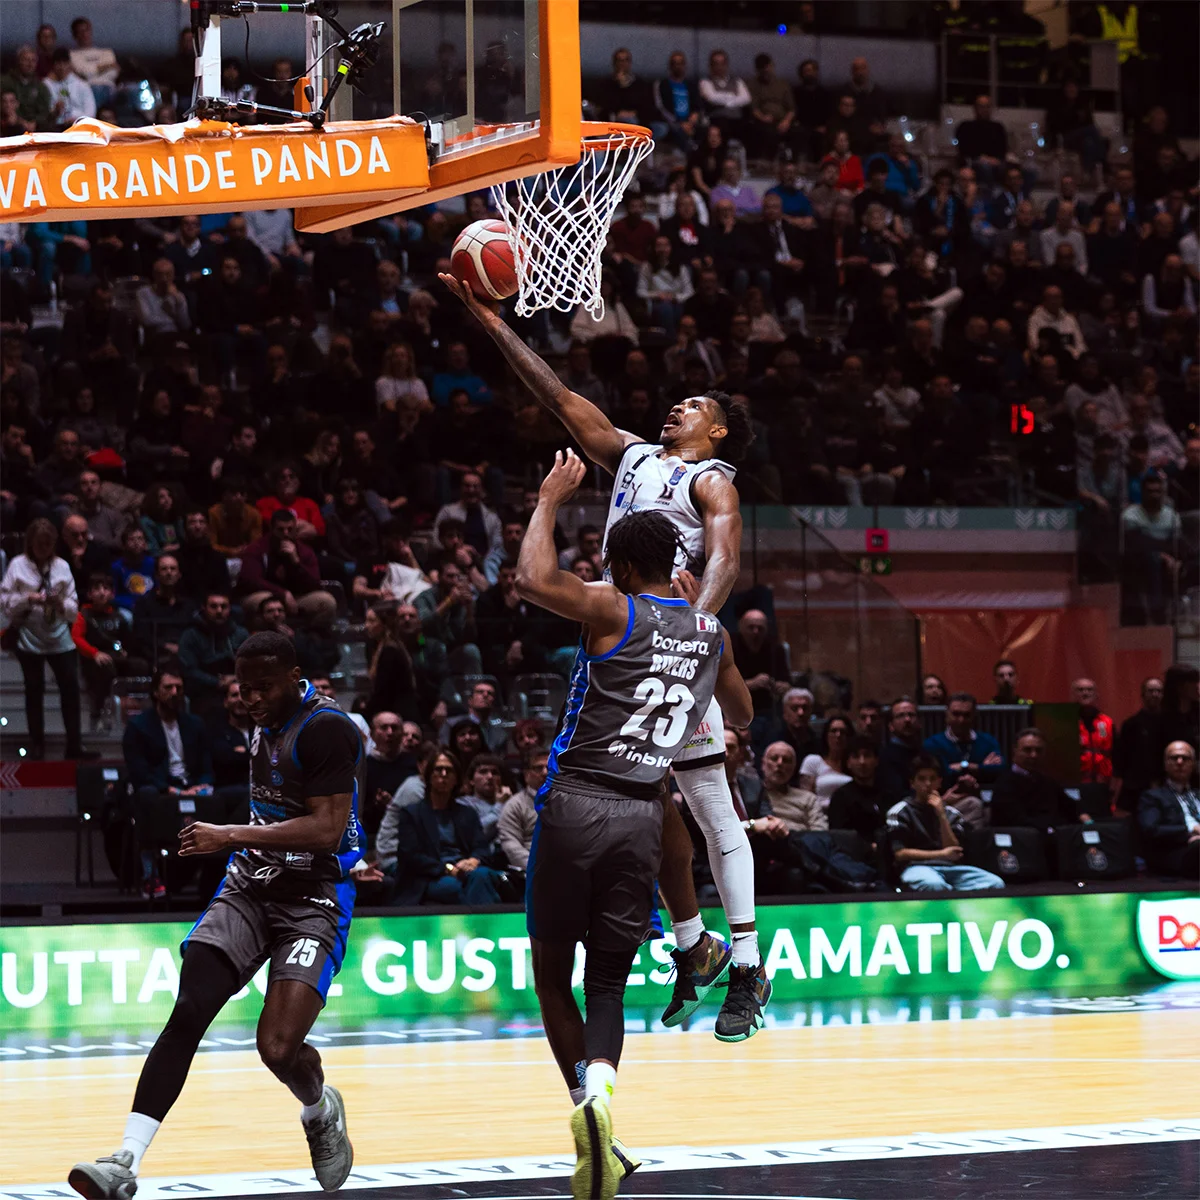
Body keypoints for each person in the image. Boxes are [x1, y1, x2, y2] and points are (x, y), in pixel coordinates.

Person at [440, 269, 764, 1031]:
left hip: (675, 645)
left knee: (713, 810)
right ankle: (693, 945)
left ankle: (747, 968)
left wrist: (696, 631)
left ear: (716, 432)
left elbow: (724, 559)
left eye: (697, 405)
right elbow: (558, 398)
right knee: (642, 801)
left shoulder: (713, 480)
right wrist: (489, 320)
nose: (679, 404)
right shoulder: (636, 455)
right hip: (628, 637)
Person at [514, 452, 752, 1196]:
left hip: (578, 800)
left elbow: (530, 580)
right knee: (609, 985)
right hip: (645, 814)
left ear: (616, 564)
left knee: (555, 978)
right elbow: (740, 714)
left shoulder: (611, 606)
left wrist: (550, 499)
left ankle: (582, 1102)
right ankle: (605, 1099)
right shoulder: (710, 632)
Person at [72, 636, 365, 1197]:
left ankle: (319, 1107)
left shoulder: (326, 727)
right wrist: (244, 843)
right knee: (190, 1008)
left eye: (263, 687)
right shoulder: (260, 718)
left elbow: (328, 828)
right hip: (252, 883)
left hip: (315, 895)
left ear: (294, 677)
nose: (250, 698)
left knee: (278, 1049)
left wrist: (229, 832)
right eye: (243, 687)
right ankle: (124, 1161)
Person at [0, 518, 91, 760]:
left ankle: (74, 745)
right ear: (30, 543)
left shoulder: (61, 566)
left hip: (59, 635)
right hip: (29, 636)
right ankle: (37, 744)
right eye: (40, 544)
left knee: (70, 689)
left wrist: (59, 603)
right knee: (34, 690)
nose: (44, 549)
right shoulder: (17, 566)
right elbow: (5, 604)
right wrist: (29, 598)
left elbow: (74, 606)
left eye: (48, 544)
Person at [389, 749, 506, 905]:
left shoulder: (467, 813)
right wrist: (448, 869)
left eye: (449, 771)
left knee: (482, 875)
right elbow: (411, 856)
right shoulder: (412, 814)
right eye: (438, 769)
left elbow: (482, 848)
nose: (443, 774)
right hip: (429, 877)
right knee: (460, 888)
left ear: (456, 779)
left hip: (466, 871)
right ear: (429, 776)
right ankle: (482, 927)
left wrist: (473, 860)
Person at [887, 753, 1005, 892]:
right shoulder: (900, 812)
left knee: (995, 883)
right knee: (935, 885)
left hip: (951, 868)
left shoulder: (952, 814)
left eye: (932, 779)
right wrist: (941, 855)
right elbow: (900, 853)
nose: (928, 784)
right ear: (912, 783)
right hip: (915, 867)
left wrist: (941, 815)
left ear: (940, 782)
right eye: (922, 779)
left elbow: (953, 850)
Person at [71, 572, 149, 733]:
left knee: (140, 665)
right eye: (97, 589)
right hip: (94, 659)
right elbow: (77, 638)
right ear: (90, 594)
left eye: (106, 588)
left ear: (112, 593)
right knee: (107, 668)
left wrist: (127, 651)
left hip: (117, 657)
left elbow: (128, 639)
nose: (102, 592)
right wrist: (94, 653)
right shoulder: (83, 615)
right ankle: (99, 712)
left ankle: (139, 710)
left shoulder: (119, 616)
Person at [241, 509, 337, 630]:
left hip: (297, 598)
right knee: (263, 601)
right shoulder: (256, 549)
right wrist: (281, 593)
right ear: (272, 529)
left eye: (290, 529)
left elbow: (315, 583)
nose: (285, 533)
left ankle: (305, 639)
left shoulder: (304, 551)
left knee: (327, 602)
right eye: (280, 530)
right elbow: (251, 580)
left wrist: (296, 562)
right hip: (266, 596)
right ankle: (269, 640)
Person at [991, 729, 1086, 830]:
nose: (1034, 755)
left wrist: (1085, 818)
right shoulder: (1004, 784)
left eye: (1038, 750)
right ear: (1015, 750)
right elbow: (1015, 821)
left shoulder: (1048, 782)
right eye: (1027, 750)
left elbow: (1071, 807)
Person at [177, 592, 249, 715]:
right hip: (203, 692)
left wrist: (234, 679)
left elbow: (251, 665)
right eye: (214, 606)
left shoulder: (241, 634)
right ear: (204, 608)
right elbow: (188, 670)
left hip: (237, 687)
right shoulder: (190, 635)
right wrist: (217, 682)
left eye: (223, 606)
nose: (219, 611)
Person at [1137, 742, 1200, 879]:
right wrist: (1190, 831)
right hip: (1176, 853)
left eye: (1185, 758)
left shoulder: (1197, 794)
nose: (1179, 762)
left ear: (1194, 764)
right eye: (1174, 757)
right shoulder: (1153, 796)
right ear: (1165, 764)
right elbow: (1151, 829)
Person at [923, 692, 1005, 790]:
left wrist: (963, 766)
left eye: (967, 715)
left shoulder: (988, 741)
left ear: (974, 716)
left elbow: (1000, 770)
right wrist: (981, 767)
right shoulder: (933, 744)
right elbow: (940, 775)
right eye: (956, 714)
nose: (961, 720)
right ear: (947, 714)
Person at [1114, 676, 1165, 814]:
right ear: (1143, 694)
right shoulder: (1131, 724)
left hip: (1164, 784)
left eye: (1159, 691)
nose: (1155, 694)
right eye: (1151, 691)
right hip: (1136, 786)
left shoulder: (1170, 723)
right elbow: (1122, 756)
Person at [829, 735, 888, 849]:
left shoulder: (888, 794)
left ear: (876, 761)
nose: (862, 762)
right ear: (848, 763)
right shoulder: (840, 797)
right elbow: (839, 836)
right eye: (856, 756)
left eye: (867, 755)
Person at [497, 749, 548, 871]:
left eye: (549, 767)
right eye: (538, 768)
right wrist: (538, 867)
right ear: (526, 775)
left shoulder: (566, 802)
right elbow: (511, 846)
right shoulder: (515, 805)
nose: (545, 773)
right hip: (532, 870)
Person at [760, 742, 826, 833]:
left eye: (786, 760)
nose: (780, 763)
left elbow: (820, 832)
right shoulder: (753, 797)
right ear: (763, 764)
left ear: (794, 767)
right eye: (774, 758)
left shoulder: (808, 798)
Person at [798, 711, 854, 806]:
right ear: (826, 735)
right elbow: (805, 798)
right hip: (819, 815)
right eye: (833, 731)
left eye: (843, 732)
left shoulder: (855, 763)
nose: (838, 735)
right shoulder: (813, 761)